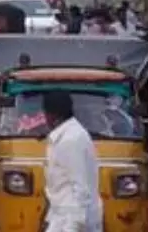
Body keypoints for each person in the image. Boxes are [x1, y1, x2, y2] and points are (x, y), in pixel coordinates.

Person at [42, 90, 102, 232]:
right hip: (60, 218)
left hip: (72, 221)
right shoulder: (66, 136)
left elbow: (81, 190)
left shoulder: (71, 140)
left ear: (52, 115)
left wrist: (73, 227)